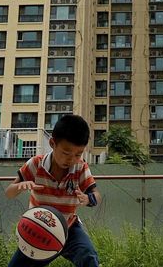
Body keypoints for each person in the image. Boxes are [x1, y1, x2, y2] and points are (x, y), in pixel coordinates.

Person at [6, 114, 102, 267]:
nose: (71, 159)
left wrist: (88, 199)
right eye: (66, 153)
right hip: (39, 227)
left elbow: (96, 195)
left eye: (78, 154)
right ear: (52, 143)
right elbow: (9, 192)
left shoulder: (80, 167)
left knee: (88, 256)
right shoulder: (36, 164)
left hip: (68, 228)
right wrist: (19, 186)